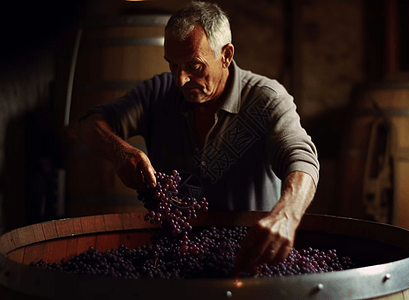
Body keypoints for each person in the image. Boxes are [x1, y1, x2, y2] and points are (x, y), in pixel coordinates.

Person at [75, 1, 319, 273]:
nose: (180, 80)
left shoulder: (266, 99)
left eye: (194, 66)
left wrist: (287, 214)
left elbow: (301, 158)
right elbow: (89, 124)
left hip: (247, 258)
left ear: (226, 55)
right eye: (173, 65)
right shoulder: (159, 93)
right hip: (172, 258)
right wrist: (119, 151)